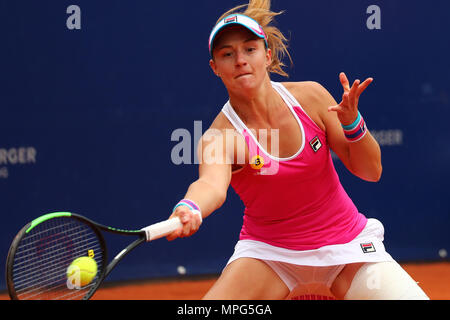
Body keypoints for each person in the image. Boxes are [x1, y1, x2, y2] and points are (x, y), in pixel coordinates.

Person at [166, 0, 429, 300]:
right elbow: (210, 185)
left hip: (347, 248)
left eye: (249, 50)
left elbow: (371, 170)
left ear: (267, 55)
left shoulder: (312, 98)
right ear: (215, 68)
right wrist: (190, 207)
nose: (240, 60)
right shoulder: (219, 136)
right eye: (227, 54)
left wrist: (353, 123)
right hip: (270, 258)